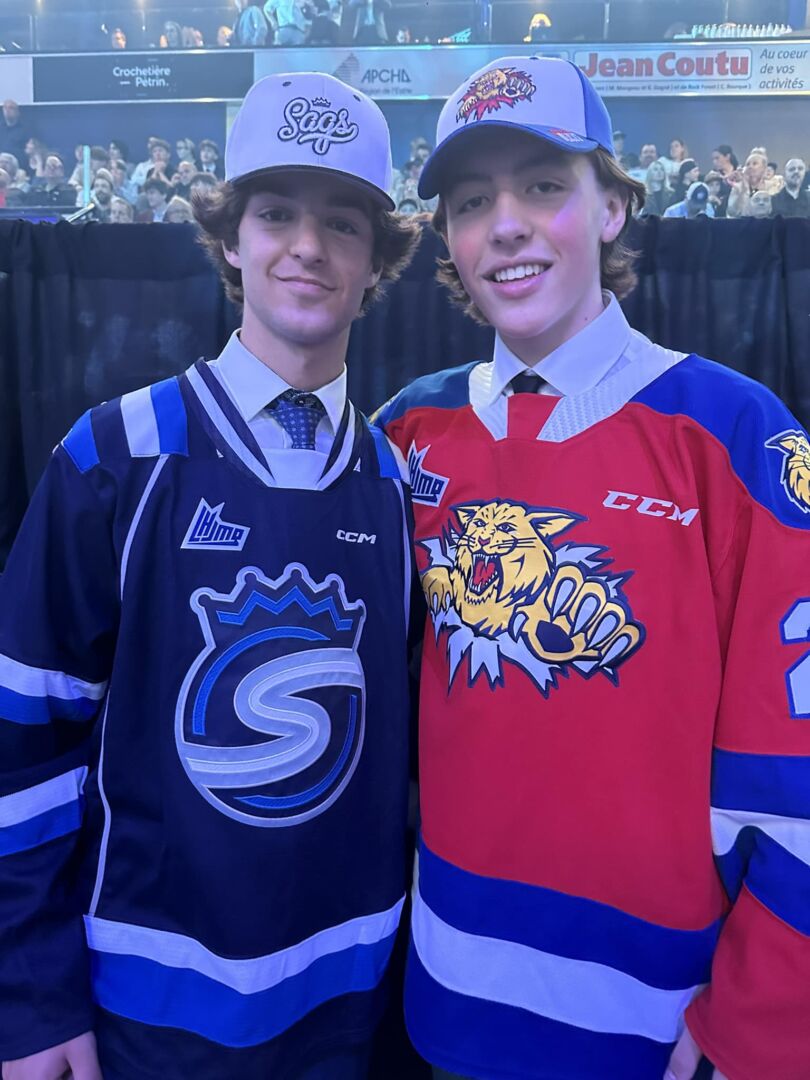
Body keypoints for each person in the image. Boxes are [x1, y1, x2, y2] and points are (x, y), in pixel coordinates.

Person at [375, 54, 810, 1080]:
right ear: (447, 237)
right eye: (473, 201)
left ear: (612, 207)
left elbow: (797, 783)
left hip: (662, 1025)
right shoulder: (404, 434)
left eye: (543, 185)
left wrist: (752, 1032)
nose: (508, 225)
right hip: (446, 1001)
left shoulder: (738, 436)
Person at [0, 70, 420, 1080]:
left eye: (343, 223)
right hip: (144, 1015)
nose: (308, 247)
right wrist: (28, 992)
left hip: (352, 1009)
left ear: (380, 262)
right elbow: (21, 743)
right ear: (229, 239)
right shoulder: (115, 456)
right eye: (276, 213)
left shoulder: (401, 484)